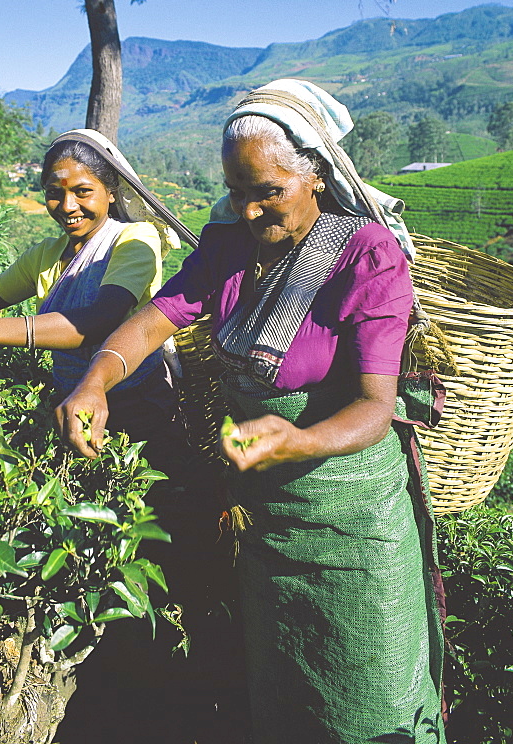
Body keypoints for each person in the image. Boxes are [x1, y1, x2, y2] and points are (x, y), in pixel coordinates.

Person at [58, 80, 447, 744]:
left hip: (353, 529)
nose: (251, 208)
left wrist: (295, 440)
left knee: (368, 695)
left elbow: (376, 408)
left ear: (316, 173)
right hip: (266, 522)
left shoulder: (364, 255)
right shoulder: (231, 246)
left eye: (269, 190)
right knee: (285, 687)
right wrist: (95, 380)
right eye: (238, 192)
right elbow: (154, 320)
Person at [0, 129, 195, 478]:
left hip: (137, 402)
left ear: (110, 193)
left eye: (83, 192)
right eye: (54, 193)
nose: (67, 207)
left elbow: (99, 318)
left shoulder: (133, 238)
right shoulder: (46, 255)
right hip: (68, 402)